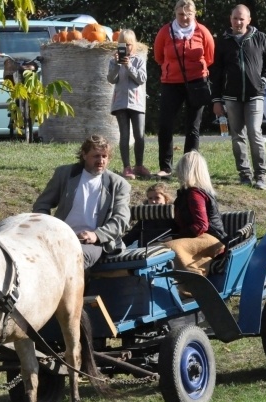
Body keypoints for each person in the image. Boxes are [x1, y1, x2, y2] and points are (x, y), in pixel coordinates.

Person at [33, 134, 131, 269]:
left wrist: (97, 235)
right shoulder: (65, 174)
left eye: (104, 156)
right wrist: (49, 228)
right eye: (96, 156)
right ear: (84, 155)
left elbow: (121, 219)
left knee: (75, 257)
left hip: (96, 244)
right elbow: (42, 204)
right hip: (61, 238)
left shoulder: (118, 184)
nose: (101, 160)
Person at [209, 4, 266, 190]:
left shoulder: (261, 38)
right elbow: (216, 72)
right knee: (237, 136)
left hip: (255, 95)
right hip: (231, 97)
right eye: (235, 18)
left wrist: (264, 78)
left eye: (242, 18)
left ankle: (261, 175)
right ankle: (244, 174)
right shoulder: (223, 42)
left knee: (254, 133)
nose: (238, 22)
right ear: (230, 19)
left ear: (249, 20)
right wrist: (216, 99)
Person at [153, 0, 214, 179]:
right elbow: (158, 56)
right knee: (165, 125)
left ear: (194, 14)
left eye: (188, 14)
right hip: (171, 83)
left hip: (196, 82)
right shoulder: (165, 31)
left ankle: (189, 168)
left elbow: (209, 57)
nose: (185, 18)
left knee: (193, 126)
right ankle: (166, 167)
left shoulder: (202, 32)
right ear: (175, 14)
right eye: (181, 15)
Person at [163, 151, 227, 279]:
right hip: (200, 238)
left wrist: (176, 237)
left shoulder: (195, 194)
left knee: (171, 247)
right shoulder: (188, 193)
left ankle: (190, 284)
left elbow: (201, 225)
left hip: (211, 240)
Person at [107, 29, 149, 180]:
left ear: (134, 45)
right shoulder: (113, 61)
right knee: (124, 135)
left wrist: (129, 65)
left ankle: (139, 165)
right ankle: (127, 167)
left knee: (139, 135)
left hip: (136, 103)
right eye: (123, 45)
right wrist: (117, 65)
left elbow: (141, 79)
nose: (127, 48)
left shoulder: (138, 60)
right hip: (120, 103)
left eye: (129, 45)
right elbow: (111, 79)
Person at [122, 182, 176, 246]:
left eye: (157, 198)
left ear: (166, 198)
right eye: (150, 198)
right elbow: (132, 236)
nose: (153, 201)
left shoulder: (173, 216)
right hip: (144, 250)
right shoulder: (146, 217)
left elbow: (180, 232)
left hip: (164, 249)